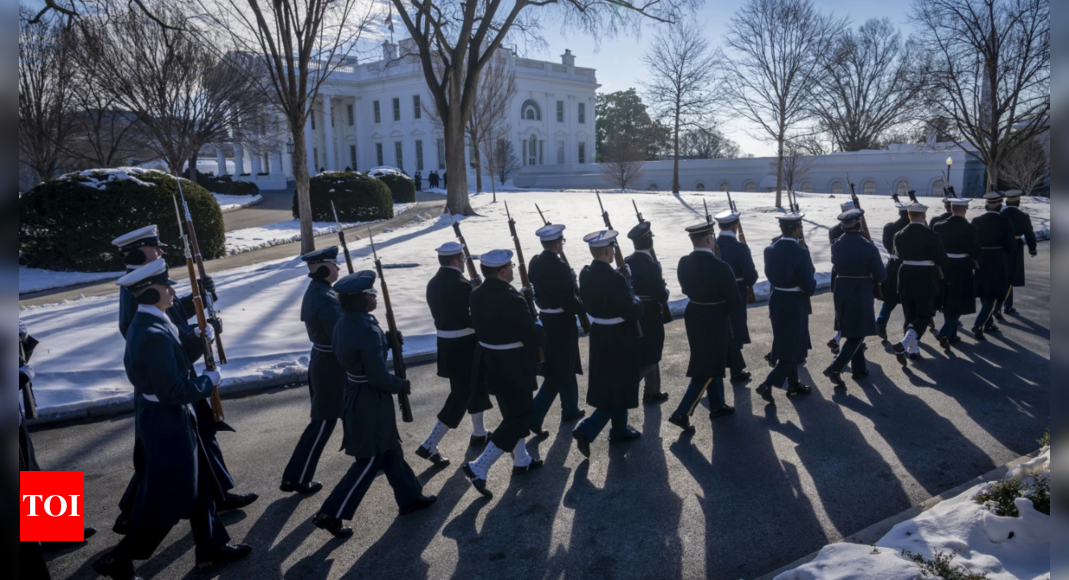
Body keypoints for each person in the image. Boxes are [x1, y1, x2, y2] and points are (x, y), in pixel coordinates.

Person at [93, 260, 251, 580]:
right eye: (167, 286)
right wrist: (209, 381)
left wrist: (197, 337)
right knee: (171, 496)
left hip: (172, 416)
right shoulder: (151, 332)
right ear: (151, 292)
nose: (173, 290)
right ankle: (118, 559)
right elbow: (172, 389)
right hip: (165, 420)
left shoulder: (155, 321)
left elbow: (173, 362)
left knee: (200, 485)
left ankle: (210, 547)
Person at [110, 226, 256, 534]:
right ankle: (64, 530)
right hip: (168, 384)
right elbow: (150, 331)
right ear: (139, 252)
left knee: (198, 443)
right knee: (165, 458)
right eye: (155, 248)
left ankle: (52, 529)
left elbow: (168, 313)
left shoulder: (148, 283)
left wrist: (197, 299)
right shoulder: (135, 289)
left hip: (174, 378)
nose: (161, 252)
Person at [314, 271, 436, 538]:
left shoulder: (347, 321)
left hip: (358, 393)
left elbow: (360, 357)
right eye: (371, 294)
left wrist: (388, 344)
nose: (374, 297)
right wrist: (400, 385)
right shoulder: (366, 329)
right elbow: (378, 375)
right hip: (370, 399)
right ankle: (330, 513)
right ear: (359, 299)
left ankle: (410, 497)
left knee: (390, 449)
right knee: (370, 458)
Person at [463, 250, 546, 498]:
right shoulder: (511, 299)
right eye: (510, 266)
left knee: (512, 413)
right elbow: (531, 334)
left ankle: (521, 459)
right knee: (519, 416)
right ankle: (480, 466)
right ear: (502, 271)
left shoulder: (477, 293)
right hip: (513, 364)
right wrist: (539, 325)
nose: (512, 269)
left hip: (492, 362)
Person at [416, 242, 493, 468]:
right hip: (464, 346)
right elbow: (471, 319)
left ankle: (479, 432)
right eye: (462, 258)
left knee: (476, 385)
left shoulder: (434, 282)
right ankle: (429, 443)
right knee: (461, 395)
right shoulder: (460, 285)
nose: (464, 262)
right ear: (455, 261)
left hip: (448, 344)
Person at [280, 247, 346, 495]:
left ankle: (383, 456)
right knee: (322, 424)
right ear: (324, 267)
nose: (338, 268)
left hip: (326, 361)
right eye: (334, 264)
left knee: (358, 413)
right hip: (331, 366)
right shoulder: (325, 297)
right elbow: (339, 336)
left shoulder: (321, 291)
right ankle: (296, 477)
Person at [572, 231, 644, 457]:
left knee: (615, 384)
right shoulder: (615, 278)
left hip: (600, 332)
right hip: (619, 336)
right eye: (612, 249)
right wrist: (637, 299)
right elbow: (631, 310)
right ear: (606, 251)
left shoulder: (586, 274)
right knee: (620, 385)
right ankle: (587, 429)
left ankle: (620, 429)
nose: (614, 251)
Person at [667, 222, 742, 433]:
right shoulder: (721, 266)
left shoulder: (684, 262)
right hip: (714, 317)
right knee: (709, 364)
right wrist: (720, 309)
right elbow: (734, 301)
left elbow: (685, 288)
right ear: (710, 240)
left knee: (709, 360)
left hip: (694, 314)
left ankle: (717, 404)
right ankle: (682, 412)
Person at [528, 224, 588, 437]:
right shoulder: (560, 267)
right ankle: (534, 417)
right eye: (561, 242)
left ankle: (570, 408)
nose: (562, 245)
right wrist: (583, 306)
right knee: (557, 372)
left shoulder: (534, 262)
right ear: (556, 244)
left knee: (567, 365)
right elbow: (568, 300)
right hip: (562, 322)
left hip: (546, 319)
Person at [755, 211, 816, 404]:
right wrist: (810, 288)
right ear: (796, 229)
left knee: (787, 341)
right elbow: (807, 283)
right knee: (793, 345)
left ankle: (794, 384)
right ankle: (768, 383)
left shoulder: (770, 249)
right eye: (800, 228)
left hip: (777, 298)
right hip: (794, 300)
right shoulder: (801, 252)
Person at [823, 209, 887, 387]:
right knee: (858, 332)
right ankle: (835, 367)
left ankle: (859, 369)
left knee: (853, 329)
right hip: (860, 290)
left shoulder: (836, 244)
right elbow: (881, 275)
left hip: (841, 289)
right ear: (859, 224)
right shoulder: (868, 246)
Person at [891, 202, 949, 364]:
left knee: (909, 313)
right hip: (925, 276)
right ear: (923, 216)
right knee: (924, 313)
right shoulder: (932, 235)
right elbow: (942, 260)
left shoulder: (899, 234)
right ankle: (904, 343)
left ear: (909, 215)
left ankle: (913, 349)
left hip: (905, 276)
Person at [623, 221, 672, 404]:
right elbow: (661, 295)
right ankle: (629, 386)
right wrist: (664, 290)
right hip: (650, 314)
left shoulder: (627, 261)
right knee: (652, 354)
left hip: (635, 313)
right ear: (649, 242)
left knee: (648, 352)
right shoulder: (650, 264)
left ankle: (652, 390)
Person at [715, 210, 759, 382]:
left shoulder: (713, 245)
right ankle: (736, 370)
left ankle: (736, 367)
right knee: (736, 327)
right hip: (737, 289)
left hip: (717, 293)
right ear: (735, 226)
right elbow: (750, 274)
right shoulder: (740, 247)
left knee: (725, 328)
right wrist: (749, 283)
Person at [933, 198, 982, 349]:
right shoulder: (969, 228)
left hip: (944, 266)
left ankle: (952, 335)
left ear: (951, 209)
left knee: (948, 299)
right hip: (961, 267)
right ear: (964, 210)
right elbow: (975, 252)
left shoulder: (938, 226)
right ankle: (945, 332)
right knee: (958, 301)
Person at [971, 191, 1016, 339]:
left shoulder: (976, 221)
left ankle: (989, 323)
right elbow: (1011, 246)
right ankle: (979, 324)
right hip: (997, 260)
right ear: (1000, 206)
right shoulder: (1005, 222)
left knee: (985, 291)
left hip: (980, 259)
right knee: (994, 294)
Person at [997, 191, 1039, 317]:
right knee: (1011, 277)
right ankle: (1002, 306)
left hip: (1000, 246)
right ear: (1018, 202)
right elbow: (1029, 234)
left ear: (1006, 202)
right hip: (1016, 246)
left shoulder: (1000, 214)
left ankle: (1004, 305)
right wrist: (1032, 249)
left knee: (1002, 276)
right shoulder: (1023, 216)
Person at [876, 198, 911, 340]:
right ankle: (909, 329)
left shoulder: (889, 227)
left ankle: (881, 321)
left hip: (893, 264)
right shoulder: (914, 228)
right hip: (909, 265)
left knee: (890, 298)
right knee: (909, 299)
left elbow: (886, 245)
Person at [826, 201, 856, 354]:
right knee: (854, 311)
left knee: (840, 309)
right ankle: (847, 338)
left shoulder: (833, 230)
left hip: (838, 273)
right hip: (855, 276)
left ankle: (838, 337)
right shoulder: (857, 230)